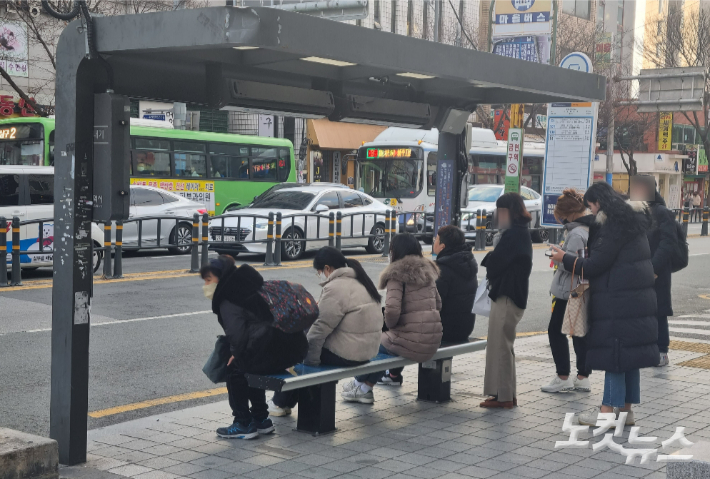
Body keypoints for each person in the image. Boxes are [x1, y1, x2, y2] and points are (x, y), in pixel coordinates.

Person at [550, 182, 657, 427]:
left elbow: (596, 264)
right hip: (636, 301)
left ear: (599, 203)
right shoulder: (631, 221)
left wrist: (563, 258)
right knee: (629, 358)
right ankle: (625, 412)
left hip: (618, 302)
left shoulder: (613, 226)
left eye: (591, 207)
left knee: (615, 356)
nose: (591, 212)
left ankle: (607, 412)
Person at [201, 256, 308, 439]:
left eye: (209, 279)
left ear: (221, 277)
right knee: (248, 365)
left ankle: (243, 423)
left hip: (273, 351)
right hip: (291, 348)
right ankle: (261, 419)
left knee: (234, 370)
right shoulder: (249, 286)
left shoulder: (229, 297)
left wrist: (235, 354)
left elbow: (237, 334)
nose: (206, 285)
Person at [268, 247, 383, 416]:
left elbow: (318, 330)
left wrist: (309, 363)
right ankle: (283, 401)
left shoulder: (336, 288)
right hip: (368, 352)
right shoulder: (361, 281)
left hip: (348, 355)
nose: (319, 276)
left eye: (319, 272)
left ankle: (280, 403)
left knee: (296, 348)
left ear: (328, 269)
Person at [341, 234, 442, 402]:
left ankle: (358, 382)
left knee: (373, 343)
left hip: (411, 341)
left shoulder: (396, 274)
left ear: (395, 252)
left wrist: (388, 325)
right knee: (387, 346)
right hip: (433, 340)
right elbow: (438, 304)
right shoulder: (428, 272)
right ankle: (365, 388)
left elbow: (392, 313)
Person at [479, 193, 533, 409]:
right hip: (514, 295)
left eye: (501, 211)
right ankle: (506, 394)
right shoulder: (521, 233)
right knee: (504, 345)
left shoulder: (513, 235)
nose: (498, 215)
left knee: (500, 345)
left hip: (507, 296)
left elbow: (495, 263)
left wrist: (492, 256)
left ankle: (503, 398)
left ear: (511, 212)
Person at [542, 188, 594, 393]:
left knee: (556, 331)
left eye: (560, 215)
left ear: (568, 214)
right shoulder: (587, 230)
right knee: (579, 332)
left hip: (568, 290)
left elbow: (575, 264)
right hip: (580, 289)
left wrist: (557, 257)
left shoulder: (576, 234)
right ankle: (582, 376)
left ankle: (563, 376)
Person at [630, 176, 677, 367]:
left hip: (657, 271)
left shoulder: (662, 213)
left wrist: (654, 268)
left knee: (658, 310)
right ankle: (645, 348)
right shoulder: (635, 212)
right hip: (637, 270)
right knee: (640, 311)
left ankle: (661, 351)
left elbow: (668, 243)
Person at [432, 225, 478, 343]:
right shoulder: (467, 263)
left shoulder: (443, 269)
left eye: (436, 239)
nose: (434, 242)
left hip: (446, 330)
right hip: (465, 327)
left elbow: (434, 303)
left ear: (442, 247)